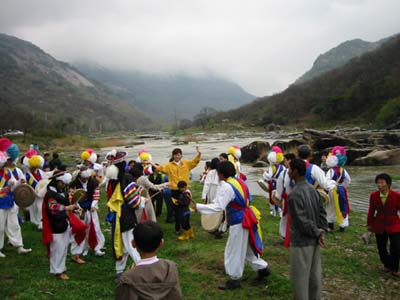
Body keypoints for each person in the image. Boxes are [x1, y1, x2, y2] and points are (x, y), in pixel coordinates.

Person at [194, 161, 270, 290]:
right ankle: (263, 268)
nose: (217, 175)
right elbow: (248, 199)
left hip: (239, 221)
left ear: (222, 174)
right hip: (247, 218)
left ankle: (234, 279)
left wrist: (198, 207)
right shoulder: (240, 181)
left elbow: (218, 206)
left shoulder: (227, 186)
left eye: (218, 173)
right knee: (246, 249)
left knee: (233, 250)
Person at [287, 158, 328, 300]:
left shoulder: (294, 195)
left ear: (296, 172)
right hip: (315, 240)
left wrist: (317, 232)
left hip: (301, 241)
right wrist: (321, 232)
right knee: (314, 276)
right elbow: (322, 212)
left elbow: (301, 221)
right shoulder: (313, 190)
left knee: (300, 279)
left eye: (290, 169)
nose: (288, 172)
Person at [115, 221, 182, 300]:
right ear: (161, 243)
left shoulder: (127, 278)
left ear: (133, 243)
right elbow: (176, 295)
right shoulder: (170, 268)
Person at [42, 171, 84, 280]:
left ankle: (60, 268)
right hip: (55, 225)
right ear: (56, 182)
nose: (63, 185)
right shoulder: (50, 194)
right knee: (57, 249)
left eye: (64, 183)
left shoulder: (62, 192)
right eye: (61, 183)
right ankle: (58, 271)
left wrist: (74, 208)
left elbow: (67, 204)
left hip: (63, 223)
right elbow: (52, 207)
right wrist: (66, 208)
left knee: (63, 248)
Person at [105, 150, 141, 277]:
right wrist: (142, 200)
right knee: (131, 244)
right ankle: (143, 269)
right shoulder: (127, 178)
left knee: (120, 244)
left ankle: (119, 271)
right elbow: (134, 202)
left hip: (116, 216)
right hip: (126, 216)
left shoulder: (111, 180)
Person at [152, 147, 201, 233]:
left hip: (185, 190)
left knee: (185, 209)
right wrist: (150, 163)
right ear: (173, 156)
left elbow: (195, 162)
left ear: (181, 155)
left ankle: (186, 228)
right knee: (177, 210)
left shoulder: (186, 163)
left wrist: (199, 154)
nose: (177, 156)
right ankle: (178, 228)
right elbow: (160, 168)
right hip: (175, 190)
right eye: (175, 155)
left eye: (179, 155)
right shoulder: (169, 165)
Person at [0, 145, 32, 258]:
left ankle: (19, 246)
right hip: (0, 203)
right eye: (8, 160)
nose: (10, 162)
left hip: (10, 201)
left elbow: (13, 187)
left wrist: (19, 182)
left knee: (14, 225)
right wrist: (7, 188)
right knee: (0, 227)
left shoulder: (9, 171)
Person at [69, 167, 105, 263]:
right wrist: (78, 208)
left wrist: (93, 205)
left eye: (87, 178)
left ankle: (97, 247)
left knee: (95, 228)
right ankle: (80, 250)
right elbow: (71, 197)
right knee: (80, 230)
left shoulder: (93, 182)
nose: (86, 180)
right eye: (84, 178)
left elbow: (96, 195)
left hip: (91, 209)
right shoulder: (73, 185)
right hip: (79, 210)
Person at [367, 173, 400, 277]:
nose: (379, 185)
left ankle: (394, 268)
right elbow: (371, 211)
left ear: (388, 184)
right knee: (381, 247)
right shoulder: (374, 195)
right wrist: (369, 224)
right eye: (378, 182)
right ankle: (387, 264)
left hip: (394, 224)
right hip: (379, 224)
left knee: (396, 246)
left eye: (382, 182)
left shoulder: (397, 196)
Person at [325, 146, 351, 232]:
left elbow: (326, 181)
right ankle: (342, 226)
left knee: (330, 207)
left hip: (332, 190)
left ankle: (330, 225)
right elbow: (348, 181)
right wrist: (342, 186)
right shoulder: (343, 170)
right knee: (343, 206)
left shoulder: (330, 171)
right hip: (341, 190)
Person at [25, 152, 47, 230]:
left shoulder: (40, 172)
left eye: (36, 167)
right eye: (33, 167)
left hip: (41, 193)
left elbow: (45, 179)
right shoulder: (27, 175)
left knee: (40, 208)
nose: (34, 168)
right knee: (33, 208)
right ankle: (34, 222)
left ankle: (41, 223)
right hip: (32, 194)